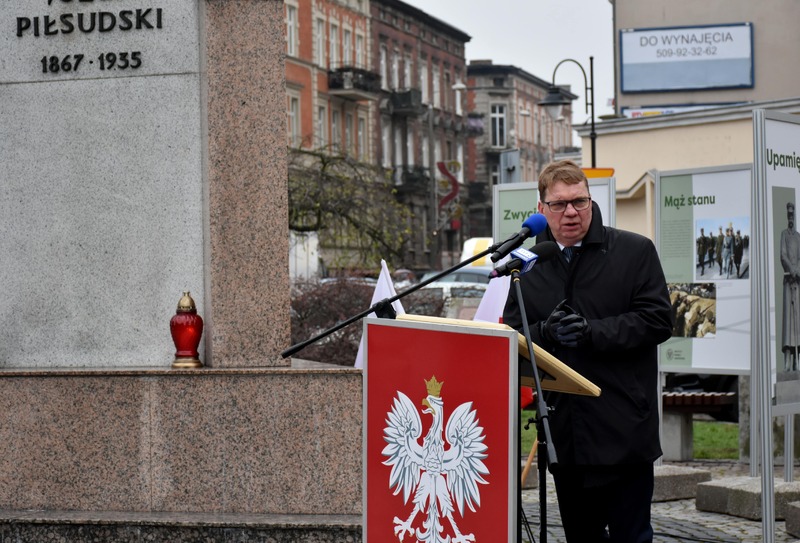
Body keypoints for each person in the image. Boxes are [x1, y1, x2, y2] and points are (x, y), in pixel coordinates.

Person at [503, 160, 673, 543]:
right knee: (582, 536)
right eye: (559, 204)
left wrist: (591, 332)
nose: (571, 212)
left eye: (579, 202)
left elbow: (658, 320)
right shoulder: (528, 268)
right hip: (566, 434)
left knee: (632, 536)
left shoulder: (633, 251)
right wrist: (545, 332)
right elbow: (512, 336)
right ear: (541, 209)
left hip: (624, 426)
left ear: (591, 203)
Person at [781, 202, 800, 372]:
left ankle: (797, 359)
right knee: (788, 322)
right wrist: (791, 269)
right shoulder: (784, 235)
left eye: (792, 215)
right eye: (789, 216)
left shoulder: (799, 237)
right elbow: (783, 254)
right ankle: (787, 358)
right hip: (788, 282)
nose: (791, 218)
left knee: (797, 321)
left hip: (797, 283)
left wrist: (798, 270)